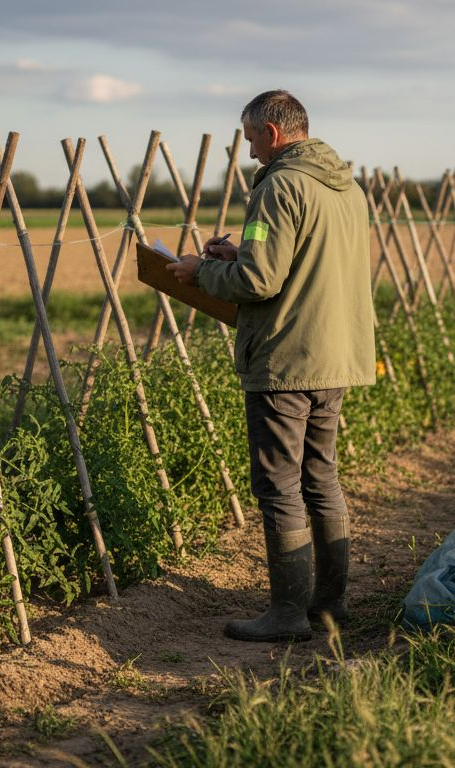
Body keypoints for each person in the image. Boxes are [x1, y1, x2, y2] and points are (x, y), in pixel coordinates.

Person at [166, 90, 375, 642]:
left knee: (280, 485)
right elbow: (305, 260)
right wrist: (240, 255)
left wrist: (199, 272)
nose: (251, 151)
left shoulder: (279, 186)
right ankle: (328, 606)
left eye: (252, 138)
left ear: (274, 133)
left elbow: (259, 282)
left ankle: (287, 614)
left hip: (286, 357)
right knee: (321, 477)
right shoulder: (346, 187)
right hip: (335, 356)